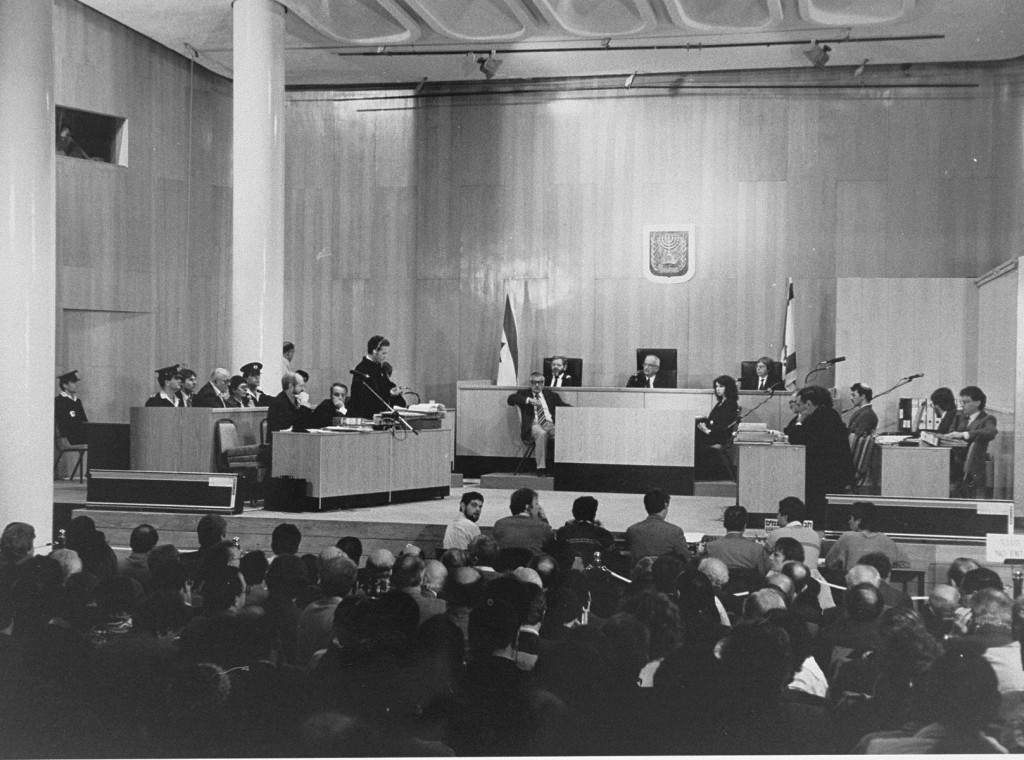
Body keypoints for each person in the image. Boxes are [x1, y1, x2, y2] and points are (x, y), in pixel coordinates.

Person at [784, 385, 854, 520]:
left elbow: (796, 438)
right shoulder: (827, 413)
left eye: (799, 404)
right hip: (829, 469)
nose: (798, 408)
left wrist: (800, 421)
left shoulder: (819, 417)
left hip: (826, 475)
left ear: (809, 404)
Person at [506, 371, 569, 476]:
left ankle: (562, 469)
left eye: (539, 382)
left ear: (543, 383)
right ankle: (541, 468)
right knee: (541, 433)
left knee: (565, 435)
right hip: (534, 424)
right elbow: (511, 399)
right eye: (534, 382)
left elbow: (562, 406)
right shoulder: (523, 394)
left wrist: (577, 410)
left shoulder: (551, 395)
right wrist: (529, 400)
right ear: (530, 384)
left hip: (550, 424)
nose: (537, 385)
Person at [942, 385, 998, 497]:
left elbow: (992, 432)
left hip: (972, 466)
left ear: (978, 403)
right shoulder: (960, 416)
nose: (962, 405)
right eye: (961, 402)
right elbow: (951, 431)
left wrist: (964, 434)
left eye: (966, 402)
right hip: (955, 461)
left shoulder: (987, 419)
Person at [824, 501, 908, 571]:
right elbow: (905, 564)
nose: (849, 522)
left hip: (853, 588)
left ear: (858, 521)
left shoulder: (847, 537)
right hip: (878, 588)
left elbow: (829, 562)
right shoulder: (887, 541)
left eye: (851, 518)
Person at [347, 335, 408, 419]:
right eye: (383, 353)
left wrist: (394, 390)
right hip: (365, 416)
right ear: (374, 351)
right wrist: (389, 393)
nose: (385, 356)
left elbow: (387, 385)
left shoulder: (379, 367)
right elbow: (368, 396)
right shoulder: (362, 369)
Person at [624, 488, 689, 565]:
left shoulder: (632, 530)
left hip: (639, 576)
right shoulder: (675, 531)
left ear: (646, 506)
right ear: (665, 505)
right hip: (665, 575)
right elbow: (687, 559)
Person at [695, 374, 739, 479]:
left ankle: (698, 474)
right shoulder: (721, 402)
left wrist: (707, 430)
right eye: (716, 386)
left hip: (719, 436)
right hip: (712, 433)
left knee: (693, 441)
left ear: (728, 387)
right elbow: (712, 420)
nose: (718, 389)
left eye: (721, 386)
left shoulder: (730, 404)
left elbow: (723, 427)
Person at [706, 505, 769, 576]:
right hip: (748, 586)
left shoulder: (710, 547)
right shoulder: (758, 549)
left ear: (724, 524)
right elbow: (763, 574)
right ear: (745, 526)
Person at [555, 495, 615, 565]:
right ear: (594, 514)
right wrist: (602, 529)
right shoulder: (603, 533)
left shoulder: (563, 531)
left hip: (568, 572)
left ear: (574, 512)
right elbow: (613, 557)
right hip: (594, 573)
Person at [492, 488, 553, 555]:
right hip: (532, 564)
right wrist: (544, 519)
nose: (539, 507)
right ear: (528, 507)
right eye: (536, 504)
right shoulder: (543, 527)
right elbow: (552, 549)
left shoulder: (499, 524)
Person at [266, 372, 315, 440]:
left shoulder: (295, 401)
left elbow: (308, 425)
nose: (303, 389)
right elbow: (297, 427)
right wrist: (303, 405)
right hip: (279, 443)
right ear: (291, 386)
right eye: (301, 386)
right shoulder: (279, 403)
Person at [55, 370, 88, 444]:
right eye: (73, 382)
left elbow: (84, 420)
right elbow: (63, 424)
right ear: (65, 385)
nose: (77, 385)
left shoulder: (77, 401)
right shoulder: (59, 401)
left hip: (80, 435)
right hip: (69, 437)